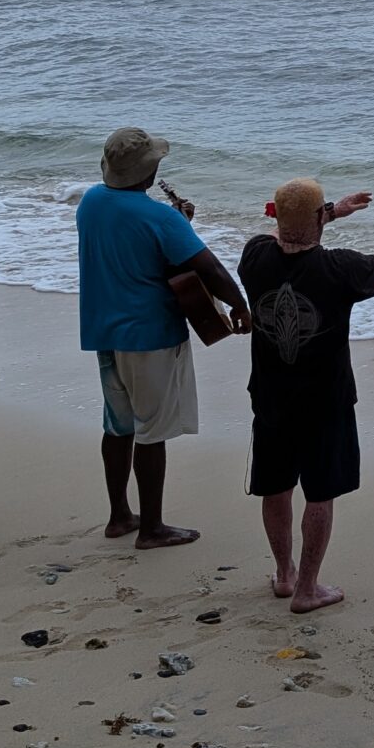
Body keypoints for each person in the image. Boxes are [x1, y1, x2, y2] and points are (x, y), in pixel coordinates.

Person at [237, 177, 374, 613]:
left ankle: (284, 575)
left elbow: (284, 232)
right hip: (324, 400)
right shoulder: (339, 268)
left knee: (275, 486)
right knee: (319, 492)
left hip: (270, 395)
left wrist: (331, 213)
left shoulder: (254, 256)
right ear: (318, 218)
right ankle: (307, 588)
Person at [76, 125, 251, 551]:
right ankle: (152, 528)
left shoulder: (91, 201)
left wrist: (178, 222)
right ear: (149, 172)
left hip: (105, 331)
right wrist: (240, 304)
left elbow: (132, 245)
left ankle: (120, 515)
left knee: (118, 425)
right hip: (150, 333)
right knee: (152, 431)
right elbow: (208, 268)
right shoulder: (161, 217)